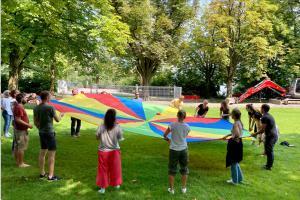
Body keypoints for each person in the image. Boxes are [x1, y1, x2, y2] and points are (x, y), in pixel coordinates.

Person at [33, 91, 64, 181]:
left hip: (41, 133)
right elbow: (57, 120)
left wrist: (40, 128)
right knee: (51, 155)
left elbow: (35, 122)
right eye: (50, 97)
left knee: (42, 153)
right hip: (50, 133)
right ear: (47, 97)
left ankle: (42, 173)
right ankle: (51, 176)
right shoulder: (50, 107)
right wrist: (61, 115)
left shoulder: (36, 108)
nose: (50, 98)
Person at [96, 109, 124, 194]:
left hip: (103, 151)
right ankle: (116, 184)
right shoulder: (117, 127)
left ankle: (102, 188)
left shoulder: (101, 126)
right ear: (114, 117)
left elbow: (97, 137)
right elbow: (120, 138)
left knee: (103, 170)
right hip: (114, 150)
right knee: (115, 168)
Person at [163, 110, 191, 194]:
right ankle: (183, 188)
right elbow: (184, 136)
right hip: (183, 149)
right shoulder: (187, 127)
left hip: (173, 150)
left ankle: (171, 189)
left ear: (177, 116)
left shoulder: (172, 125)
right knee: (184, 169)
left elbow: (164, 135)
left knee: (172, 170)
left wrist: (168, 140)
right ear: (184, 117)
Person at [252, 104, 278, 170]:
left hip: (271, 136)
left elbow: (262, 130)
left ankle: (269, 166)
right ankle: (268, 165)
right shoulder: (268, 115)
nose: (260, 109)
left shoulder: (264, 117)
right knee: (268, 151)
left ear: (263, 109)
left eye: (261, 108)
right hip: (273, 135)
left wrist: (255, 133)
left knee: (269, 151)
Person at [222, 108, 243, 184]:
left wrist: (232, 138)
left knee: (233, 162)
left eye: (231, 114)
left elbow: (236, 134)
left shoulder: (235, 123)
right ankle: (239, 179)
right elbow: (235, 132)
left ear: (234, 115)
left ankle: (234, 181)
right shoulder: (239, 122)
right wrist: (227, 136)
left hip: (235, 144)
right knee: (236, 162)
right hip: (239, 143)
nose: (230, 115)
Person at [13, 93, 33, 167]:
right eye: (26, 97)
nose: (27, 99)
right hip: (21, 130)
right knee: (21, 147)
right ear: (22, 99)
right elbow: (18, 119)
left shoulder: (18, 106)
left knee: (17, 146)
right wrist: (28, 125)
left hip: (19, 129)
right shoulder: (19, 107)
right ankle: (21, 163)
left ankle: (18, 162)